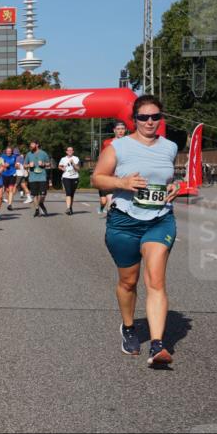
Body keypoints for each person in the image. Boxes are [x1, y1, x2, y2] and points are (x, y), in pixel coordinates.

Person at [92, 95, 179, 367]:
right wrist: (123, 182)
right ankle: (129, 328)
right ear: (134, 120)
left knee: (155, 280)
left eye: (155, 117)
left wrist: (175, 186)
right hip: (124, 221)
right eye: (144, 117)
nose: (150, 122)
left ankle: (157, 345)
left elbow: (167, 178)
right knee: (129, 282)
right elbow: (97, 178)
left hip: (159, 220)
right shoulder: (119, 147)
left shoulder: (170, 147)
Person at [99, 122, 127, 214]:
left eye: (122, 129)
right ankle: (111, 218)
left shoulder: (130, 142)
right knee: (110, 199)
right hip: (109, 175)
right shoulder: (107, 143)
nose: (120, 131)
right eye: (118, 129)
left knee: (123, 200)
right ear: (114, 130)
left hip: (124, 175)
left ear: (125, 130)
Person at [24, 140, 52, 217]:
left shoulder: (43, 153)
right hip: (32, 177)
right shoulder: (28, 154)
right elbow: (24, 165)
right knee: (34, 195)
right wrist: (29, 165)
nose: (31, 146)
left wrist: (43, 164)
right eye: (30, 145)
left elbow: (49, 163)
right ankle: (37, 209)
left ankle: (41, 203)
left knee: (43, 194)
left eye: (32, 144)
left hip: (42, 177)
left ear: (37, 145)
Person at [59, 146, 82, 215]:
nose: (70, 151)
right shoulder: (63, 159)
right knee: (68, 192)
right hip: (66, 177)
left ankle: (70, 207)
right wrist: (62, 168)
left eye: (71, 150)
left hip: (75, 177)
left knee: (72, 194)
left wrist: (73, 163)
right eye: (68, 150)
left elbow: (78, 168)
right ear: (66, 152)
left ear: (73, 152)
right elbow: (59, 166)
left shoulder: (76, 158)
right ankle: (68, 208)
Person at [0, 145, 20, 211]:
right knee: (7, 189)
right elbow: (0, 164)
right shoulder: (2, 156)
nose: (9, 152)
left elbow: (16, 165)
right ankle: (8, 200)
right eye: (7, 151)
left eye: (10, 151)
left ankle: (9, 205)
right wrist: (4, 165)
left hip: (12, 174)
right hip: (4, 175)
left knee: (11, 189)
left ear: (11, 152)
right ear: (6, 151)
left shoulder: (14, 157)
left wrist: (17, 166)